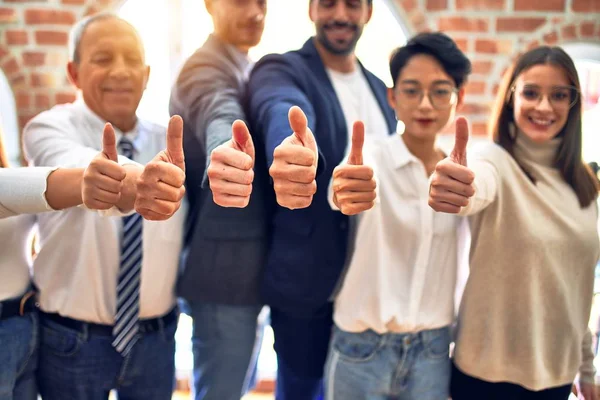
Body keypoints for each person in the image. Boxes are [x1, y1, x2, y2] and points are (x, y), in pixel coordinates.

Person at [207, 0, 396, 397]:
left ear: (369, 12)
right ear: (311, 10)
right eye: (328, 3)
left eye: (352, 5)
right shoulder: (281, 69)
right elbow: (282, 108)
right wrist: (292, 147)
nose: (340, 15)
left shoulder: (380, 89)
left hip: (371, 288)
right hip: (308, 285)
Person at [22, 13, 186, 400]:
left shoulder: (172, 141)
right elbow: (76, 165)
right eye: (102, 58)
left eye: (132, 60)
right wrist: (130, 183)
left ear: (147, 75)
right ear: (74, 72)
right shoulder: (47, 129)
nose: (120, 71)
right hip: (71, 340)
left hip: (156, 339)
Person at [429, 46, 600, 400]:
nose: (544, 107)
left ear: (573, 103)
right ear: (511, 98)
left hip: (556, 378)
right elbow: (476, 186)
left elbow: (576, 291)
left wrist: (587, 369)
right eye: (531, 93)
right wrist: (457, 189)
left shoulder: (585, 184)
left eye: (559, 95)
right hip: (486, 377)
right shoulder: (493, 161)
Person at [324, 32, 471, 400]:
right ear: (392, 97)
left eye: (440, 91)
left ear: (458, 98)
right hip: (362, 349)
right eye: (411, 90)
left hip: (433, 352)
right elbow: (344, 184)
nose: (425, 104)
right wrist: (343, 189)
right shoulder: (371, 155)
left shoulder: (463, 177)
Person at [169, 0, 271, 398]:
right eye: (241, 1)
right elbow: (218, 110)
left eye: (262, 1)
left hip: (244, 274)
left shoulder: (244, 64)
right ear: (210, 5)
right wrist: (227, 149)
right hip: (222, 276)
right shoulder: (204, 67)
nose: (256, 11)